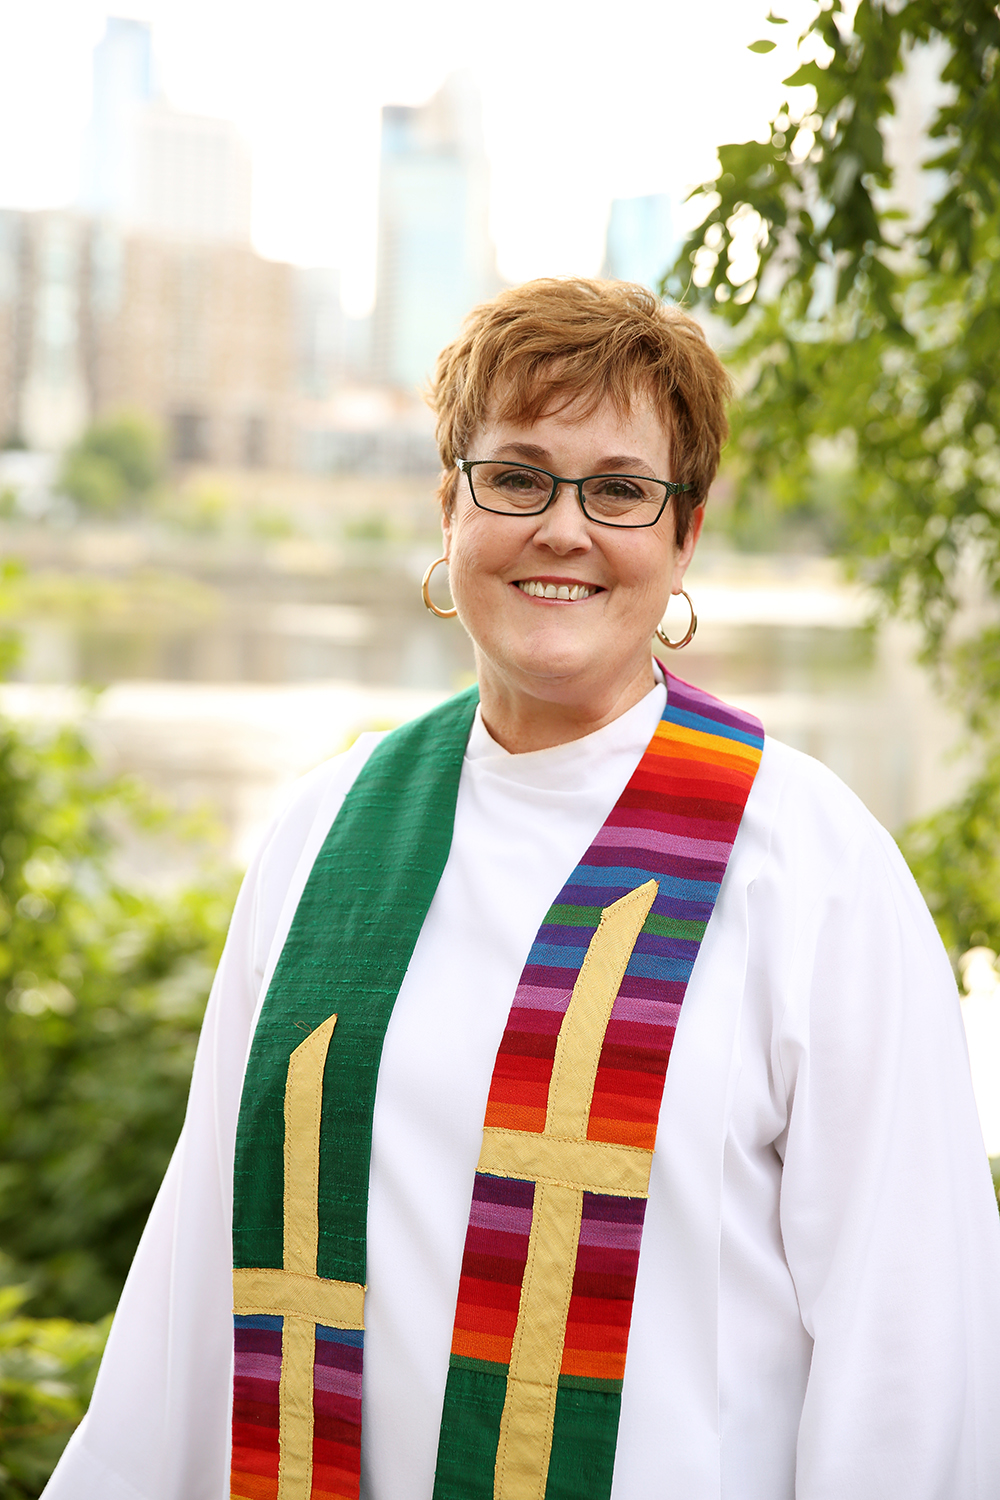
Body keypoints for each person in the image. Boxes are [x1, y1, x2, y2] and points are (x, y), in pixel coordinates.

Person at [44, 279, 1000, 1500]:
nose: (563, 528)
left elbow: (907, 1348)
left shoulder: (810, 868)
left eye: (618, 489)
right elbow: (198, 1285)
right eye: (517, 476)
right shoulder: (325, 833)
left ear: (684, 532)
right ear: (450, 506)